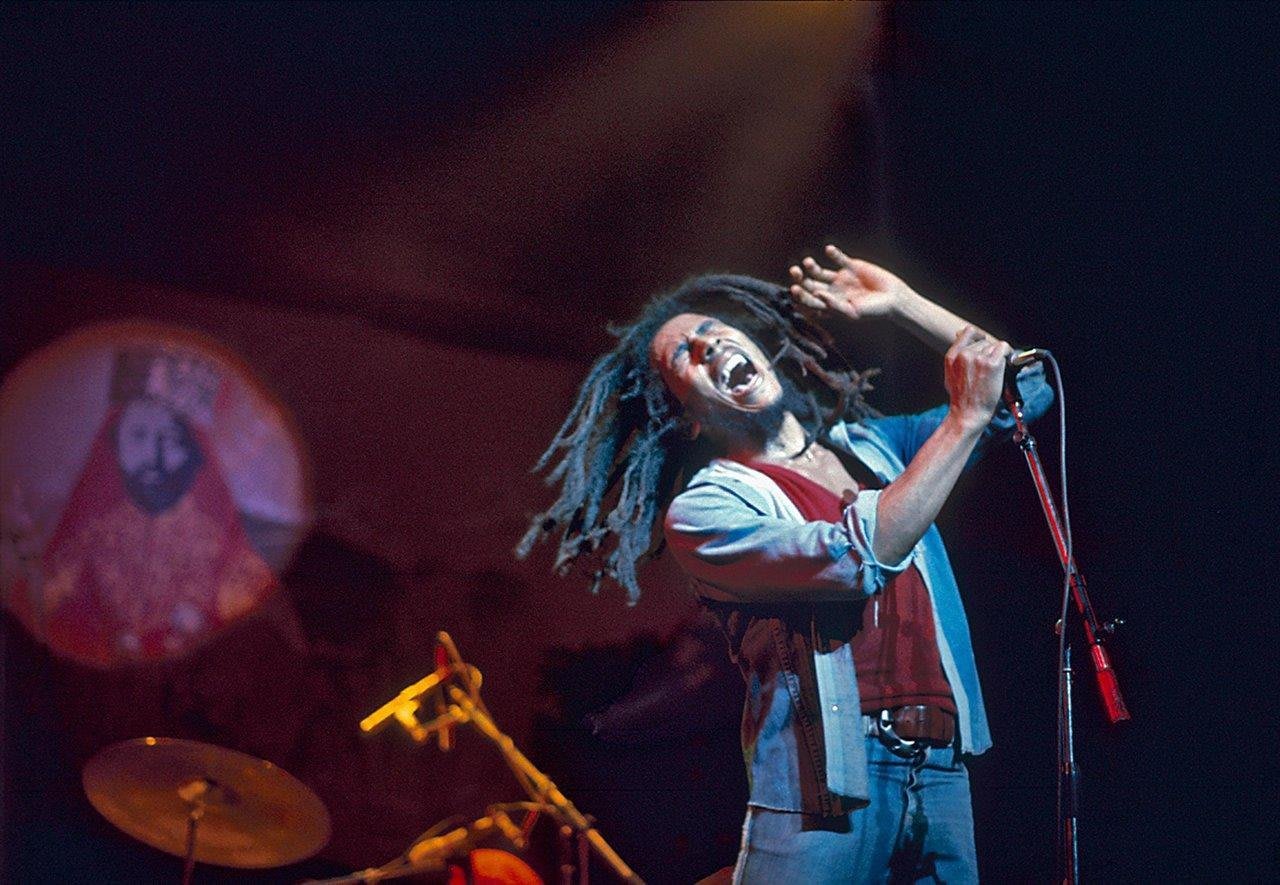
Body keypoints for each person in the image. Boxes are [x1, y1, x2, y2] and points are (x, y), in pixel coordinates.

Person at [520, 247, 1052, 882]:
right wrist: (962, 420)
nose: (709, 345)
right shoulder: (706, 511)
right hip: (824, 784)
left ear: (760, 348)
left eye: (714, 330)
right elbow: (860, 558)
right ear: (686, 420)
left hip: (943, 771)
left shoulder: (874, 449)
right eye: (685, 354)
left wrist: (904, 304)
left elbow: (1026, 390)